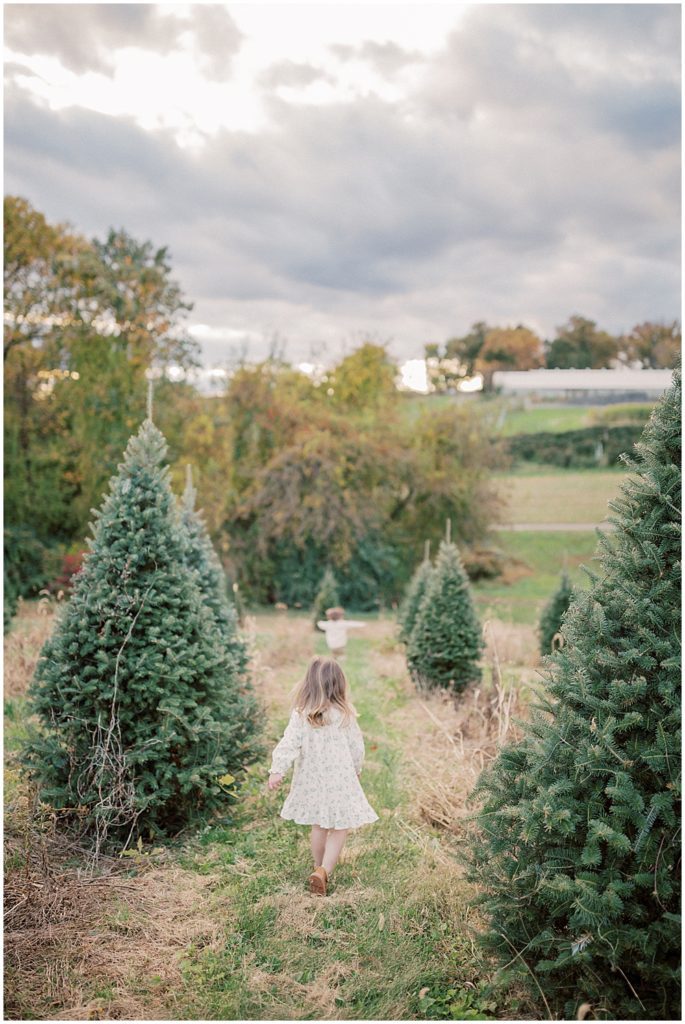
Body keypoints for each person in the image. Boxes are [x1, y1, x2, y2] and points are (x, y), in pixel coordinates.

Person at [267, 655, 378, 895]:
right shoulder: (345, 713)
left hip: (312, 779)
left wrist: (278, 769)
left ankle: (317, 867)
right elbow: (356, 746)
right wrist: (357, 768)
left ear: (309, 684)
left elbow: (289, 743)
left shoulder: (302, 714)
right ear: (339, 684)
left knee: (319, 824)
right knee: (340, 826)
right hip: (340, 780)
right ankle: (323, 871)